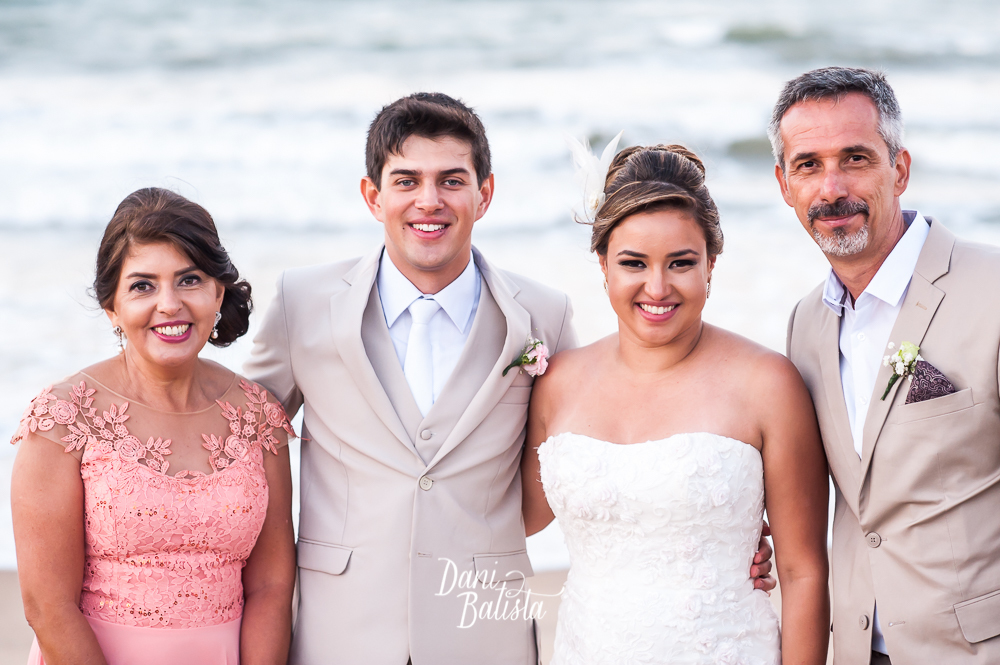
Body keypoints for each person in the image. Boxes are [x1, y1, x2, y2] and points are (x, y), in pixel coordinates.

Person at [244, 92, 777, 664]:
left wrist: (705, 520)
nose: (430, 201)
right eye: (406, 181)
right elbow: (238, 442)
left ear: (485, 193)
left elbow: (596, 444)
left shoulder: (542, 316)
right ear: (373, 196)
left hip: (485, 633)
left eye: (452, 179)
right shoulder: (303, 303)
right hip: (339, 632)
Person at [521, 143, 830, 664]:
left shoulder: (768, 384)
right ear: (602, 264)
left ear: (712, 263)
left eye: (681, 263)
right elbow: (517, 519)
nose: (657, 287)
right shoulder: (557, 382)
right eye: (633, 263)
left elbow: (803, 573)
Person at [11, 188, 296, 665]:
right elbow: (47, 606)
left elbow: (270, 586)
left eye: (190, 279)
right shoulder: (63, 418)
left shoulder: (259, 417)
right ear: (112, 307)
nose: (169, 304)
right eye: (142, 285)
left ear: (218, 291)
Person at [774, 66, 1000, 665]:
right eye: (808, 165)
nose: (830, 189)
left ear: (899, 169)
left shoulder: (993, 292)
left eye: (854, 159)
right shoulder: (804, 327)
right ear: (783, 184)